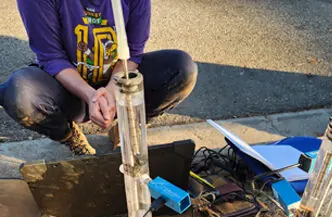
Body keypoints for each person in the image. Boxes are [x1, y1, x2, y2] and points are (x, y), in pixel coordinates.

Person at [0, 0, 198, 156]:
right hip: (67, 88)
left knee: (181, 69)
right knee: (21, 94)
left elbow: (132, 52)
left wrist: (111, 90)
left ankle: (130, 124)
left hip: (118, 77)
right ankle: (69, 136)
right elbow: (52, 58)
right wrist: (91, 95)